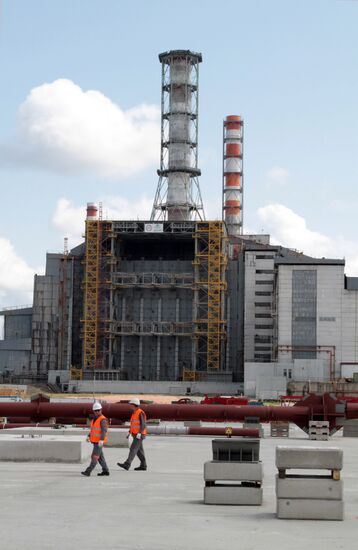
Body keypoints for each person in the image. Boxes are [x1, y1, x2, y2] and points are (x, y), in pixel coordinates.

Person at [118, 398, 147, 471]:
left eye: (131, 405)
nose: (130, 406)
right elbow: (133, 424)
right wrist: (129, 432)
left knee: (133, 448)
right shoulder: (134, 413)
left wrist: (140, 433)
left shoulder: (140, 413)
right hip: (135, 434)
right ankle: (143, 465)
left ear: (134, 405)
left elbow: (143, 424)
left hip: (139, 435)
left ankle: (127, 464)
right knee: (139, 451)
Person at [81, 401, 110, 477]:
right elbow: (93, 430)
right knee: (100, 457)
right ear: (93, 411)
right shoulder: (94, 419)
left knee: (94, 456)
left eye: (98, 410)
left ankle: (88, 471)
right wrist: (89, 436)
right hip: (95, 441)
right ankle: (105, 470)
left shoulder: (103, 419)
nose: (97, 412)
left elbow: (104, 430)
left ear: (101, 410)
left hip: (99, 442)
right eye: (96, 410)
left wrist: (101, 440)